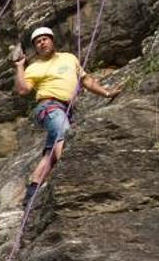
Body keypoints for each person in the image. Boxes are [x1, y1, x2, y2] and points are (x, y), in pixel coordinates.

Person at [11, 25, 120, 196]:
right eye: (38, 42)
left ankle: (32, 191)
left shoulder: (69, 58)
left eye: (45, 39)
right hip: (49, 106)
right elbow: (23, 90)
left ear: (52, 40)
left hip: (66, 110)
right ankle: (74, 175)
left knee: (50, 154)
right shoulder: (34, 67)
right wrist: (19, 67)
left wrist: (106, 93)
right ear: (35, 48)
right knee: (64, 134)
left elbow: (86, 81)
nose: (42, 43)